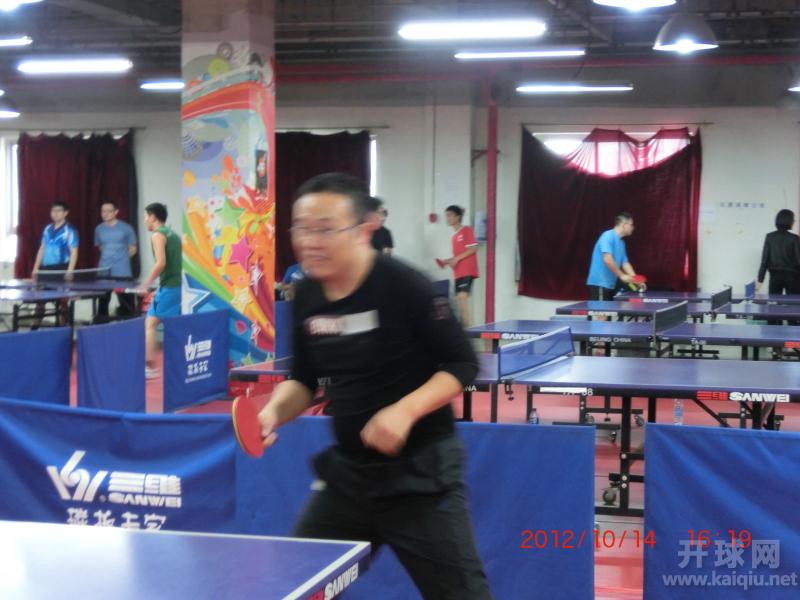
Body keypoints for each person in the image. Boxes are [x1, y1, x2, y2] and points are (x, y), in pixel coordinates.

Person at [257, 173, 492, 599]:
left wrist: (404, 411)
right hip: (349, 479)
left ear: (362, 230)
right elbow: (304, 379)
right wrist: (274, 411)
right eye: (301, 229)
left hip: (421, 479)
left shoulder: (406, 286)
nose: (310, 242)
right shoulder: (307, 295)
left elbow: (462, 362)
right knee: (298, 587)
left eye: (325, 229)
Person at [137, 203, 182, 379]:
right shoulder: (173, 235)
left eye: (145, 217)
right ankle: (179, 365)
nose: (144, 220)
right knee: (174, 326)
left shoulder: (157, 235)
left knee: (150, 324)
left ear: (153, 217)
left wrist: (146, 284)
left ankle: (149, 367)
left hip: (170, 287)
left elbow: (161, 263)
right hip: (177, 286)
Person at [30, 200, 79, 328]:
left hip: (61, 269)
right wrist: (35, 268)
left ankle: (63, 329)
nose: (55, 213)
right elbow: (42, 248)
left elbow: (74, 252)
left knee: (63, 301)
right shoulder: (47, 229)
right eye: (53, 211)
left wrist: (70, 271)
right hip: (46, 269)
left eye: (58, 211)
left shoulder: (70, 230)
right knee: (40, 301)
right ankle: (34, 328)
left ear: (65, 213)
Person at [94, 201, 138, 320]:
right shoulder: (99, 229)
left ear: (116, 212)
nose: (105, 213)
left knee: (126, 301)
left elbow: (133, 249)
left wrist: (121, 259)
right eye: (103, 211)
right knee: (103, 300)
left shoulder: (126, 228)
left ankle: (129, 323)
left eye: (109, 211)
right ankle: (101, 324)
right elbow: (100, 247)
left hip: (122, 271)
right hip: (104, 270)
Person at [586, 212, 642, 300]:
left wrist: (636, 280)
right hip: (600, 283)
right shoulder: (607, 236)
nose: (633, 227)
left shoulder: (621, 243)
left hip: (611, 284)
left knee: (612, 309)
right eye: (631, 225)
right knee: (600, 309)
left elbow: (625, 263)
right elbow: (607, 260)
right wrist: (622, 275)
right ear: (624, 225)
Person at [441, 205, 479, 327]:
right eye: (446, 216)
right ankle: (466, 329)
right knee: (460, 301)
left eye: (450, 215)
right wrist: (448, 261)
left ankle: (469, 331)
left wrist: (456, 259)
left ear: (458, 217)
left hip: (467, 271)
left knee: (462, 298)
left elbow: (473, 248)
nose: (447, 218)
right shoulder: (454, 237)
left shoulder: (466, 230)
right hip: (458, 273)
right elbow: (458, 256)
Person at [756, 209, 800, 294]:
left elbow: (764, 260)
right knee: (793, 302)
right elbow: (798, 261)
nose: (794, 221)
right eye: (793, 219)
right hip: (793, 277)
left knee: (774, 301)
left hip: (775, 277)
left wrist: (760, 280)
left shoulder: (769, 237)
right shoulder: (794, 238)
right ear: (789, 221)